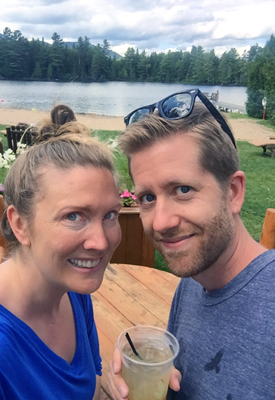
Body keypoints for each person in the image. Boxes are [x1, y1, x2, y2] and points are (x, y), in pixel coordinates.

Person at [108, 89, 275, 399]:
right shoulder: (193, 282)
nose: (160, 222)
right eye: (148, 197)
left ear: (233, 192)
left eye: (182, 189)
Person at [0, 105, 122, 399]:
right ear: (20, 224)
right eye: (73, 216)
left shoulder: (72, 289)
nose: (101, 243)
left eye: (109, 215)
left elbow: (90, 386)